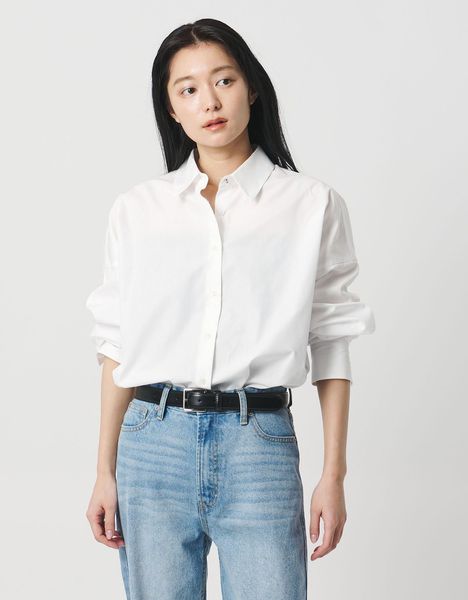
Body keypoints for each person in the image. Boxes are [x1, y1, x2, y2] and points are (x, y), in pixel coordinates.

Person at [85, 18, 375, 600]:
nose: (210, 102)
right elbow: (116, 344)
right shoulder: (137, 211)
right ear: (172, 109)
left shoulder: (311, 205)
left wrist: (334, 475)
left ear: (252, 87)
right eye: (188, 89)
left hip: (258, 443)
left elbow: (331, 342)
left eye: (224, 80)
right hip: (152, 442)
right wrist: (104, 471)